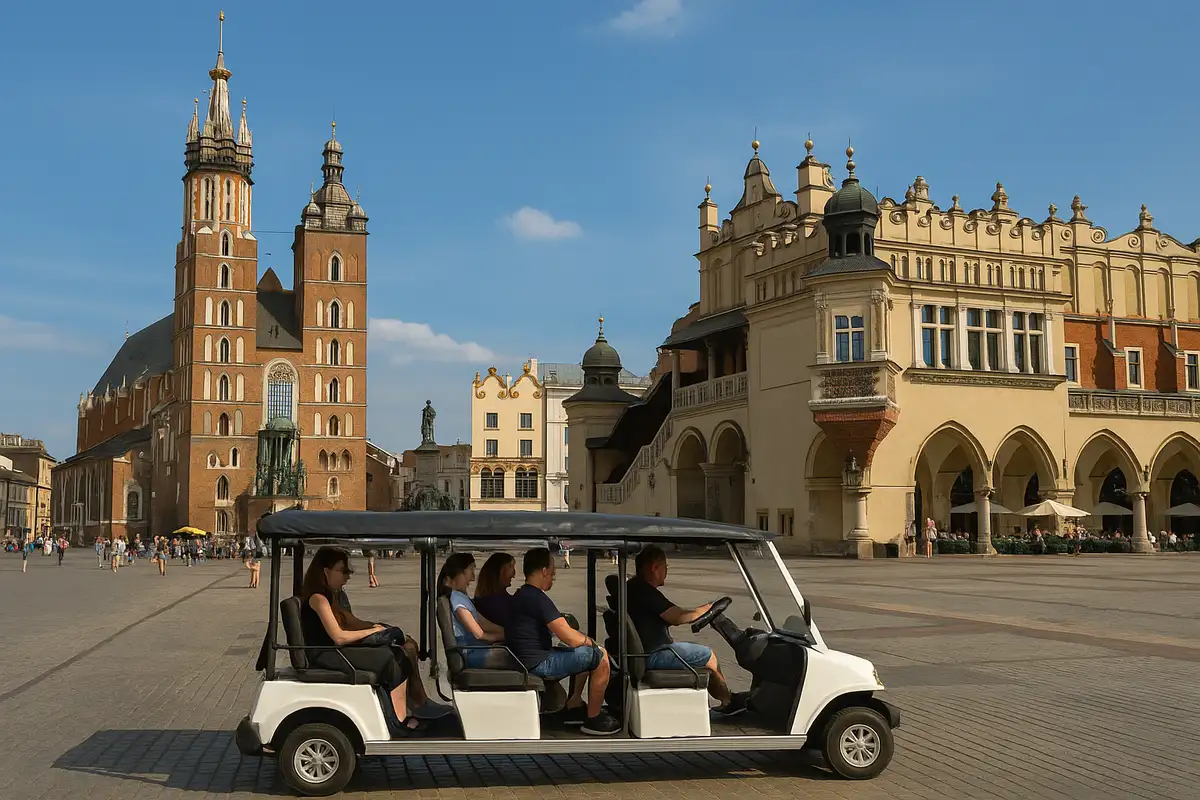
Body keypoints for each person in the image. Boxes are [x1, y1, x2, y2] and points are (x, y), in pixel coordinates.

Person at [301, 547, 426, 736]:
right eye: (343, 571)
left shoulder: (332, 597)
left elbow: (354, 623)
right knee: (389, 658)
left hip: (335, 650)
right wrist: (373, 631)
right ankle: (399, 720)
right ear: (326, 572)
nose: (348, 576)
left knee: (394, 650)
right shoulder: (318, 599)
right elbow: (339, 636)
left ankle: (400, 712)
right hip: (326, 653)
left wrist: (380, 628)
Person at [506, 547, 619, 735]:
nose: (554, 576)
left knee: (582, 654)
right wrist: (592, 643)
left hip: (526, 658)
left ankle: (574, 702)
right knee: (598, 655)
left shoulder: (521, 595)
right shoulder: (537, 598)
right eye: (553, 572)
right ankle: (594, 718)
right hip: (538, 662)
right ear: (544, 571)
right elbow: (568, 636)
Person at [626, 545, 747, 715]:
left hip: (645, 651)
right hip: (655, 653)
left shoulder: (633, 587)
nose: (666, 571)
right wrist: (709, 608)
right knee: (708, 655)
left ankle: (725, 699)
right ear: (655, 567)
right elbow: (679, 617)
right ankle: (728, 701)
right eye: (665, 567)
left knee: (697, 653)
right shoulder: (646, 592)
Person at [438, 553, 506, 666]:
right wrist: (505, 637)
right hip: (470, 652)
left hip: (477, 647)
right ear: (460, 572)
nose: (473, 577)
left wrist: (507, 632)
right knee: (513, 655)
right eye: (470, 570)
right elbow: (479, 634)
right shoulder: (457, 601)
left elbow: (483, 622)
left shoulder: (461, 597)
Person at [474, 552, 517, 628]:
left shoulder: (486, 598)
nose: (514, 574)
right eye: (511, 566)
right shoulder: (493, 602)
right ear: (500, 570)